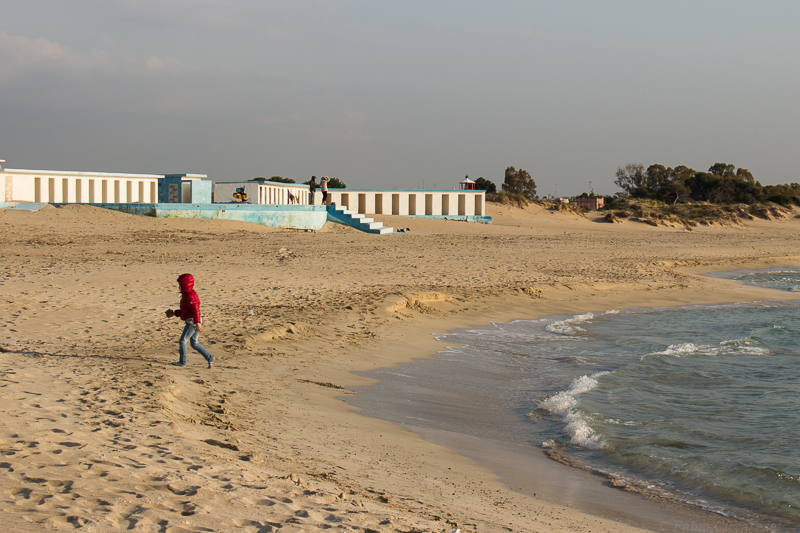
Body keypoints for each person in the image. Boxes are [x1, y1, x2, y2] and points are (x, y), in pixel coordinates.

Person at [165, 273, 214, 368]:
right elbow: (185, 311)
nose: (178, 287)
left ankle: (182, 362)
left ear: (184, 285)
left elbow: (195, 310)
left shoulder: (189, 296)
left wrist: (197, 324)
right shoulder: (187, 295)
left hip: (192, 323)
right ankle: (209, 357)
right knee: (194, 343)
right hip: (195, 321)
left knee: (183, 341)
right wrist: (174, 313)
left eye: (180, 286)